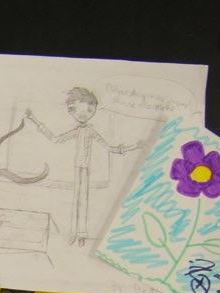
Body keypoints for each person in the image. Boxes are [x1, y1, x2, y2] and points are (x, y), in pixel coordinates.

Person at [27, 87, 140, 246]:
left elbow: (108, 147)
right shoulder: (76, 131)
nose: (83, 114)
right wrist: (34, 119)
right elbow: (55, 139)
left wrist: (132, 147)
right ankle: (74, 233)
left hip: (85, 169)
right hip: (77, 169)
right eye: (77, 109)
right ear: (71, 110)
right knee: (76, 200)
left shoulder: (91, 132)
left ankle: (81, 234)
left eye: (89, 109)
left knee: (83, 201)